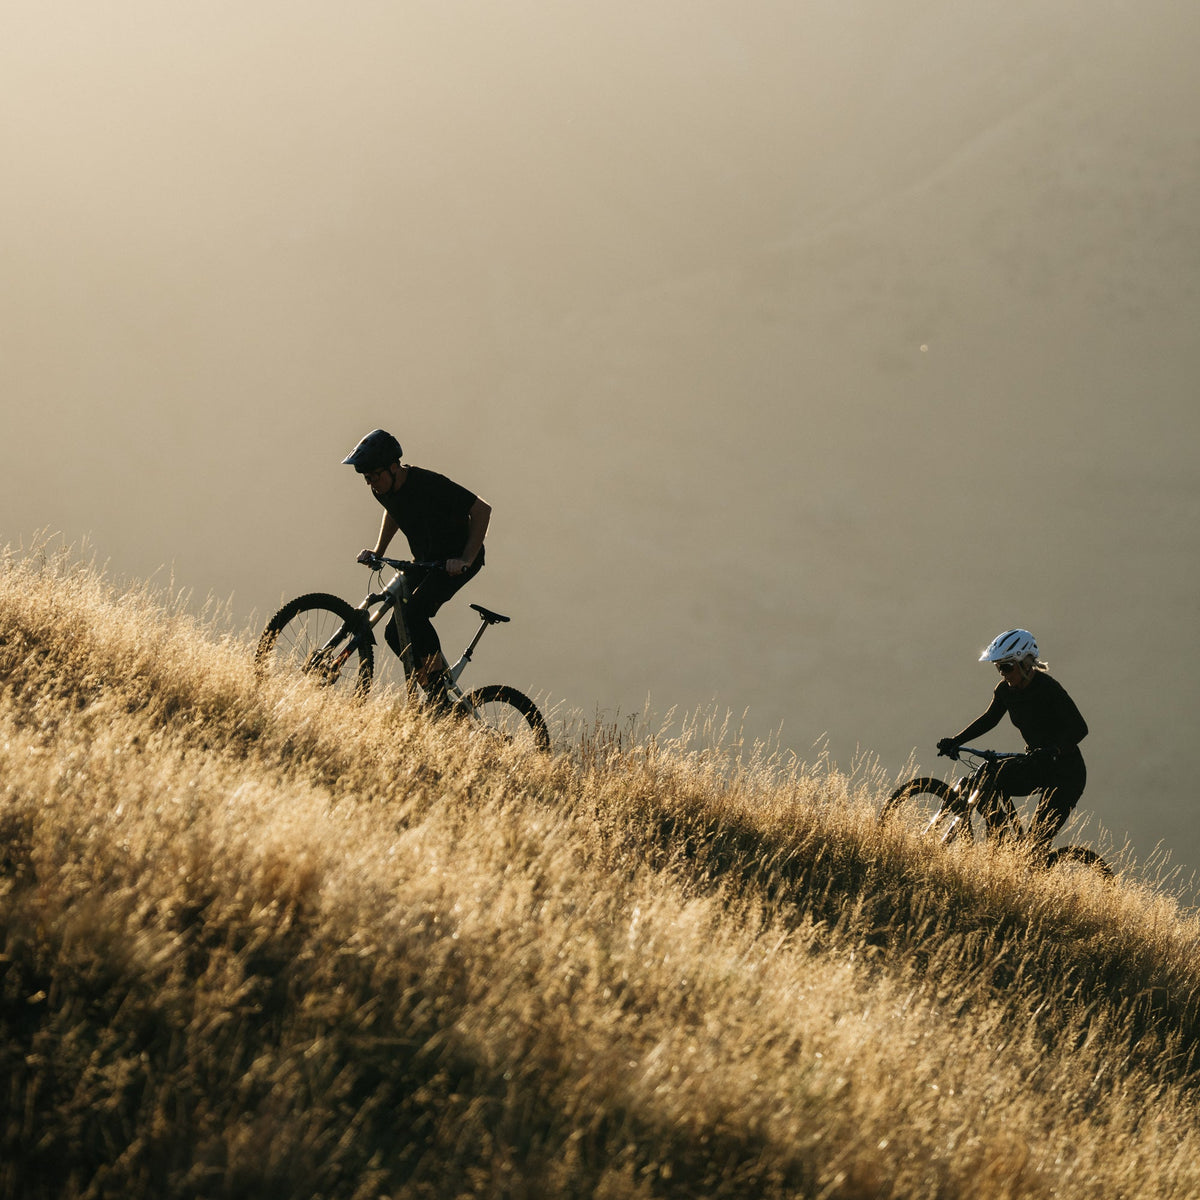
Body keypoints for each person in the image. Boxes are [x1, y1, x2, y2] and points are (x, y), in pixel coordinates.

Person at [342, 428, 491, 703]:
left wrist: (466, 560)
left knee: (414, 615)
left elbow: (482, 510)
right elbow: (395, 511)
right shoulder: (382, 489)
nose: (370, 483)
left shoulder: (428, 483)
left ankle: (438, 691)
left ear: (394, 467)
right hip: (425, 562)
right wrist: (378, 551)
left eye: (374, 475)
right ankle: (435, 696)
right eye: (365, 477)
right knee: (393, 632)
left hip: (457, 560)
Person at [936, 629, 1089, 851]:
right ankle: (1000, 840)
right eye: (998, 667)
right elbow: (989, 719)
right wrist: (956, 740)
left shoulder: (1049, 689)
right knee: (989, 776)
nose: (1003, 673)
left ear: (1026, 663)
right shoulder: (1006, 691)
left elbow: (1080, 728)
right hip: (1037, 763)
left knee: (1035, 847)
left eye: (1007, 666)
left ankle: (1033, 866)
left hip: (1066, 774)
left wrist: (1054, 749)